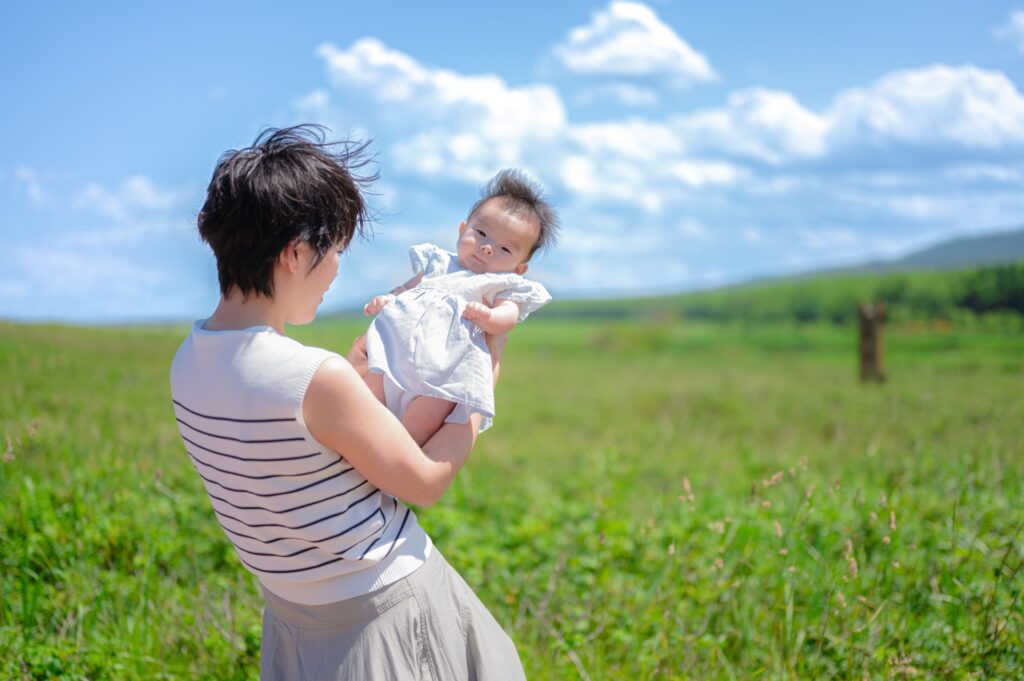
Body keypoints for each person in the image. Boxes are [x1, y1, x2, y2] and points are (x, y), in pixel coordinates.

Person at [169, 125, 526, 680]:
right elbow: (425, 482)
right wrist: (476, 389)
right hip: (387, 614)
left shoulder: (186, 363)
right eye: (335, 248)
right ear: (294, 253)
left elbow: (306, 464)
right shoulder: (315, 377)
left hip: (291, 620)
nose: (338, 268)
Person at [362, 170, 558, 445]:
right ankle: (357, 445)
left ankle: (396, 456)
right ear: (462, 229)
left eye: (505, 249)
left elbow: (508, 317)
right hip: (395, 355)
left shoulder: (502, 285)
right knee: (366, 398)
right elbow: (406, 289)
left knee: (421, 420)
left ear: (520, 268)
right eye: (481, 234)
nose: (488, 248)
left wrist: (490, 316)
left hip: (447, 371)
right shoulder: (437, 263)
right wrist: (388, 298)